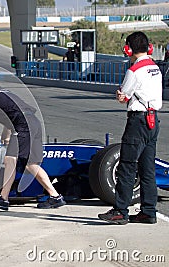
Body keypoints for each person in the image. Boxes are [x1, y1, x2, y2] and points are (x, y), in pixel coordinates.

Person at [98, 31, 162, 225]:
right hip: (153, 120)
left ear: (129, 49)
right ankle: (148, 211)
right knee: (147, 168)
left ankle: (120, 210)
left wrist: (120, 96)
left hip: (138, 120)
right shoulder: (155, 67)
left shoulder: (134, 70)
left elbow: (124, 96)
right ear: (149, 48)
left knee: (127, 166)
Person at [0, 72, 66, 211]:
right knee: (24, 162)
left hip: (23, 126)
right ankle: (54, 196)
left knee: (17, 161)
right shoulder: (4, 93)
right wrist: (6, 137)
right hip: (32, 123)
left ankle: (4, 198)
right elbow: (10, 117)